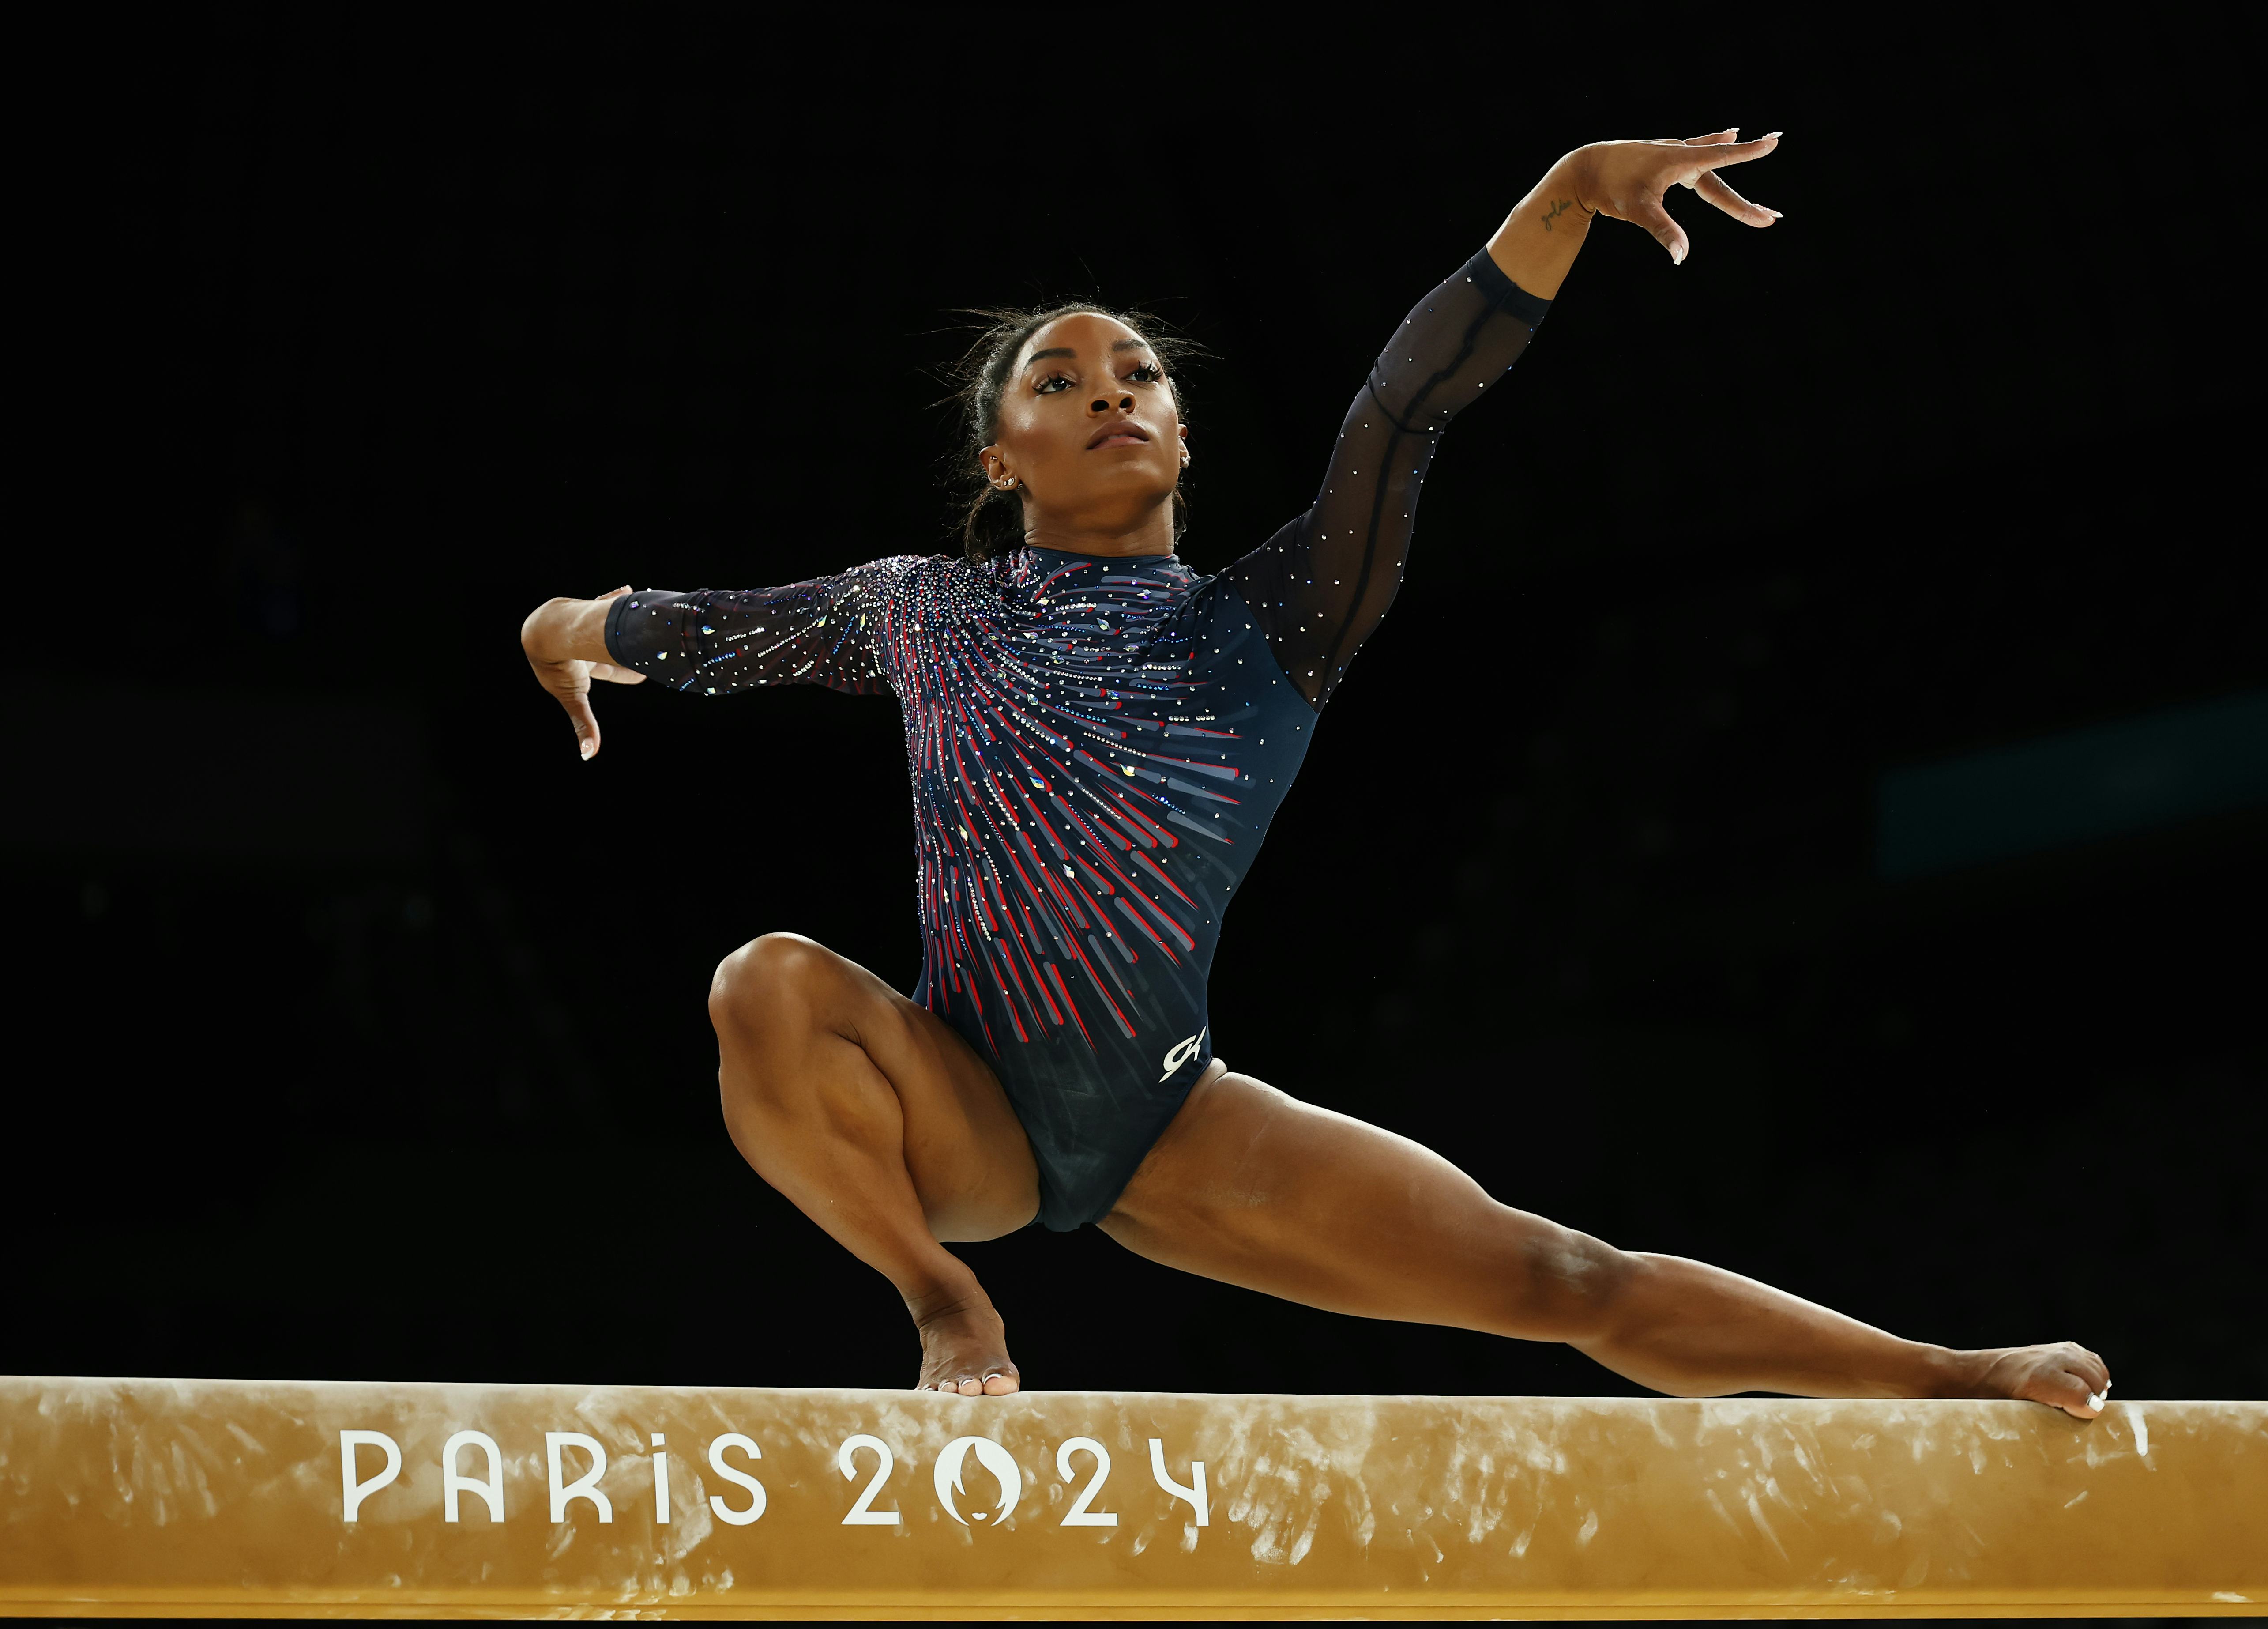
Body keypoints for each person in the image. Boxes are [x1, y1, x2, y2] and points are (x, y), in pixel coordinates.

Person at [520, 131, 2112, 1414]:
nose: (1111, 396)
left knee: (1563, 1280)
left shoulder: (1273, 626)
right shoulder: (921, 609)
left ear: (1187, 436)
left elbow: (1402, 412)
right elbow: (705, 631)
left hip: (1170, 1118)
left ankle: (1945, 1371)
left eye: (1139, 376)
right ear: (997, 458)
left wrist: (1561, 198)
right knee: (764, 983)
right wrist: (566, 623)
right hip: (961, 1110)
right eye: (1060, 382)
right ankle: (947, 1304)